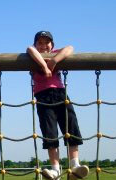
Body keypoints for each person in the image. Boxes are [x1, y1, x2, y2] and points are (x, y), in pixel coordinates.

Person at [27, 31, 89, 180]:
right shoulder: (33, 55)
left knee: (71, 126)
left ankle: (74, 165)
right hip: (43, 97)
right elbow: (29, 49)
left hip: (61, 94)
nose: (43, 45)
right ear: (36, 44)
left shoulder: (55, 54)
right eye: (40, 43)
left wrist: (53, 61)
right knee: (50, 131)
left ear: (52, 45)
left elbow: (70, 48)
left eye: (46, 42)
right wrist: (45, 65)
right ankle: (55, 169)